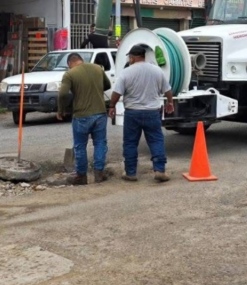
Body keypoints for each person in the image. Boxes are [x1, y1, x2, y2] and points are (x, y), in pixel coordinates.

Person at [108, 44, 175, 182]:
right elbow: (167, 90)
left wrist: (112, 106)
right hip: (152, 112)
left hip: (133, 113)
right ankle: (160, 170)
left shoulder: (126, 72)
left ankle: (131, 173)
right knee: (156, 140)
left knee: (130, 143)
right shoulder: (157, 70)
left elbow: (117, 92)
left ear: (132, 58)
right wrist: (170, 102)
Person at [58, 53, 111, 185]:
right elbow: (107, 85)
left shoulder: (70, 74)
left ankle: (81, 176)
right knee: (100, 143)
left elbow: (63, 93)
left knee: (80, 146)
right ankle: (99, 173)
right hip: (100, 113)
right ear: (81, 60)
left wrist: (61, 110)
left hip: (81, 115)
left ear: (70, 63)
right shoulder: (98, 68)